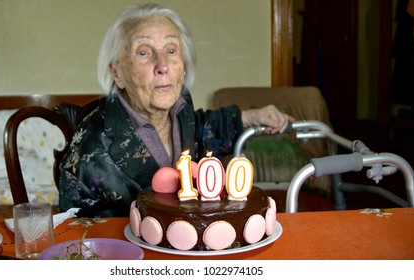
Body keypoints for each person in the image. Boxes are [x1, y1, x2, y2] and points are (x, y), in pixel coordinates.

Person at [59, 3, 294, 217]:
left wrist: (250, 117)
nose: (162, 65)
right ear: (117, 73)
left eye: (171, 50)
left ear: (183, 67)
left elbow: (201, 127)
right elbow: (79, 240)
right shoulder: (90, 150)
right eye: (144, 52)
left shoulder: (181, 109)